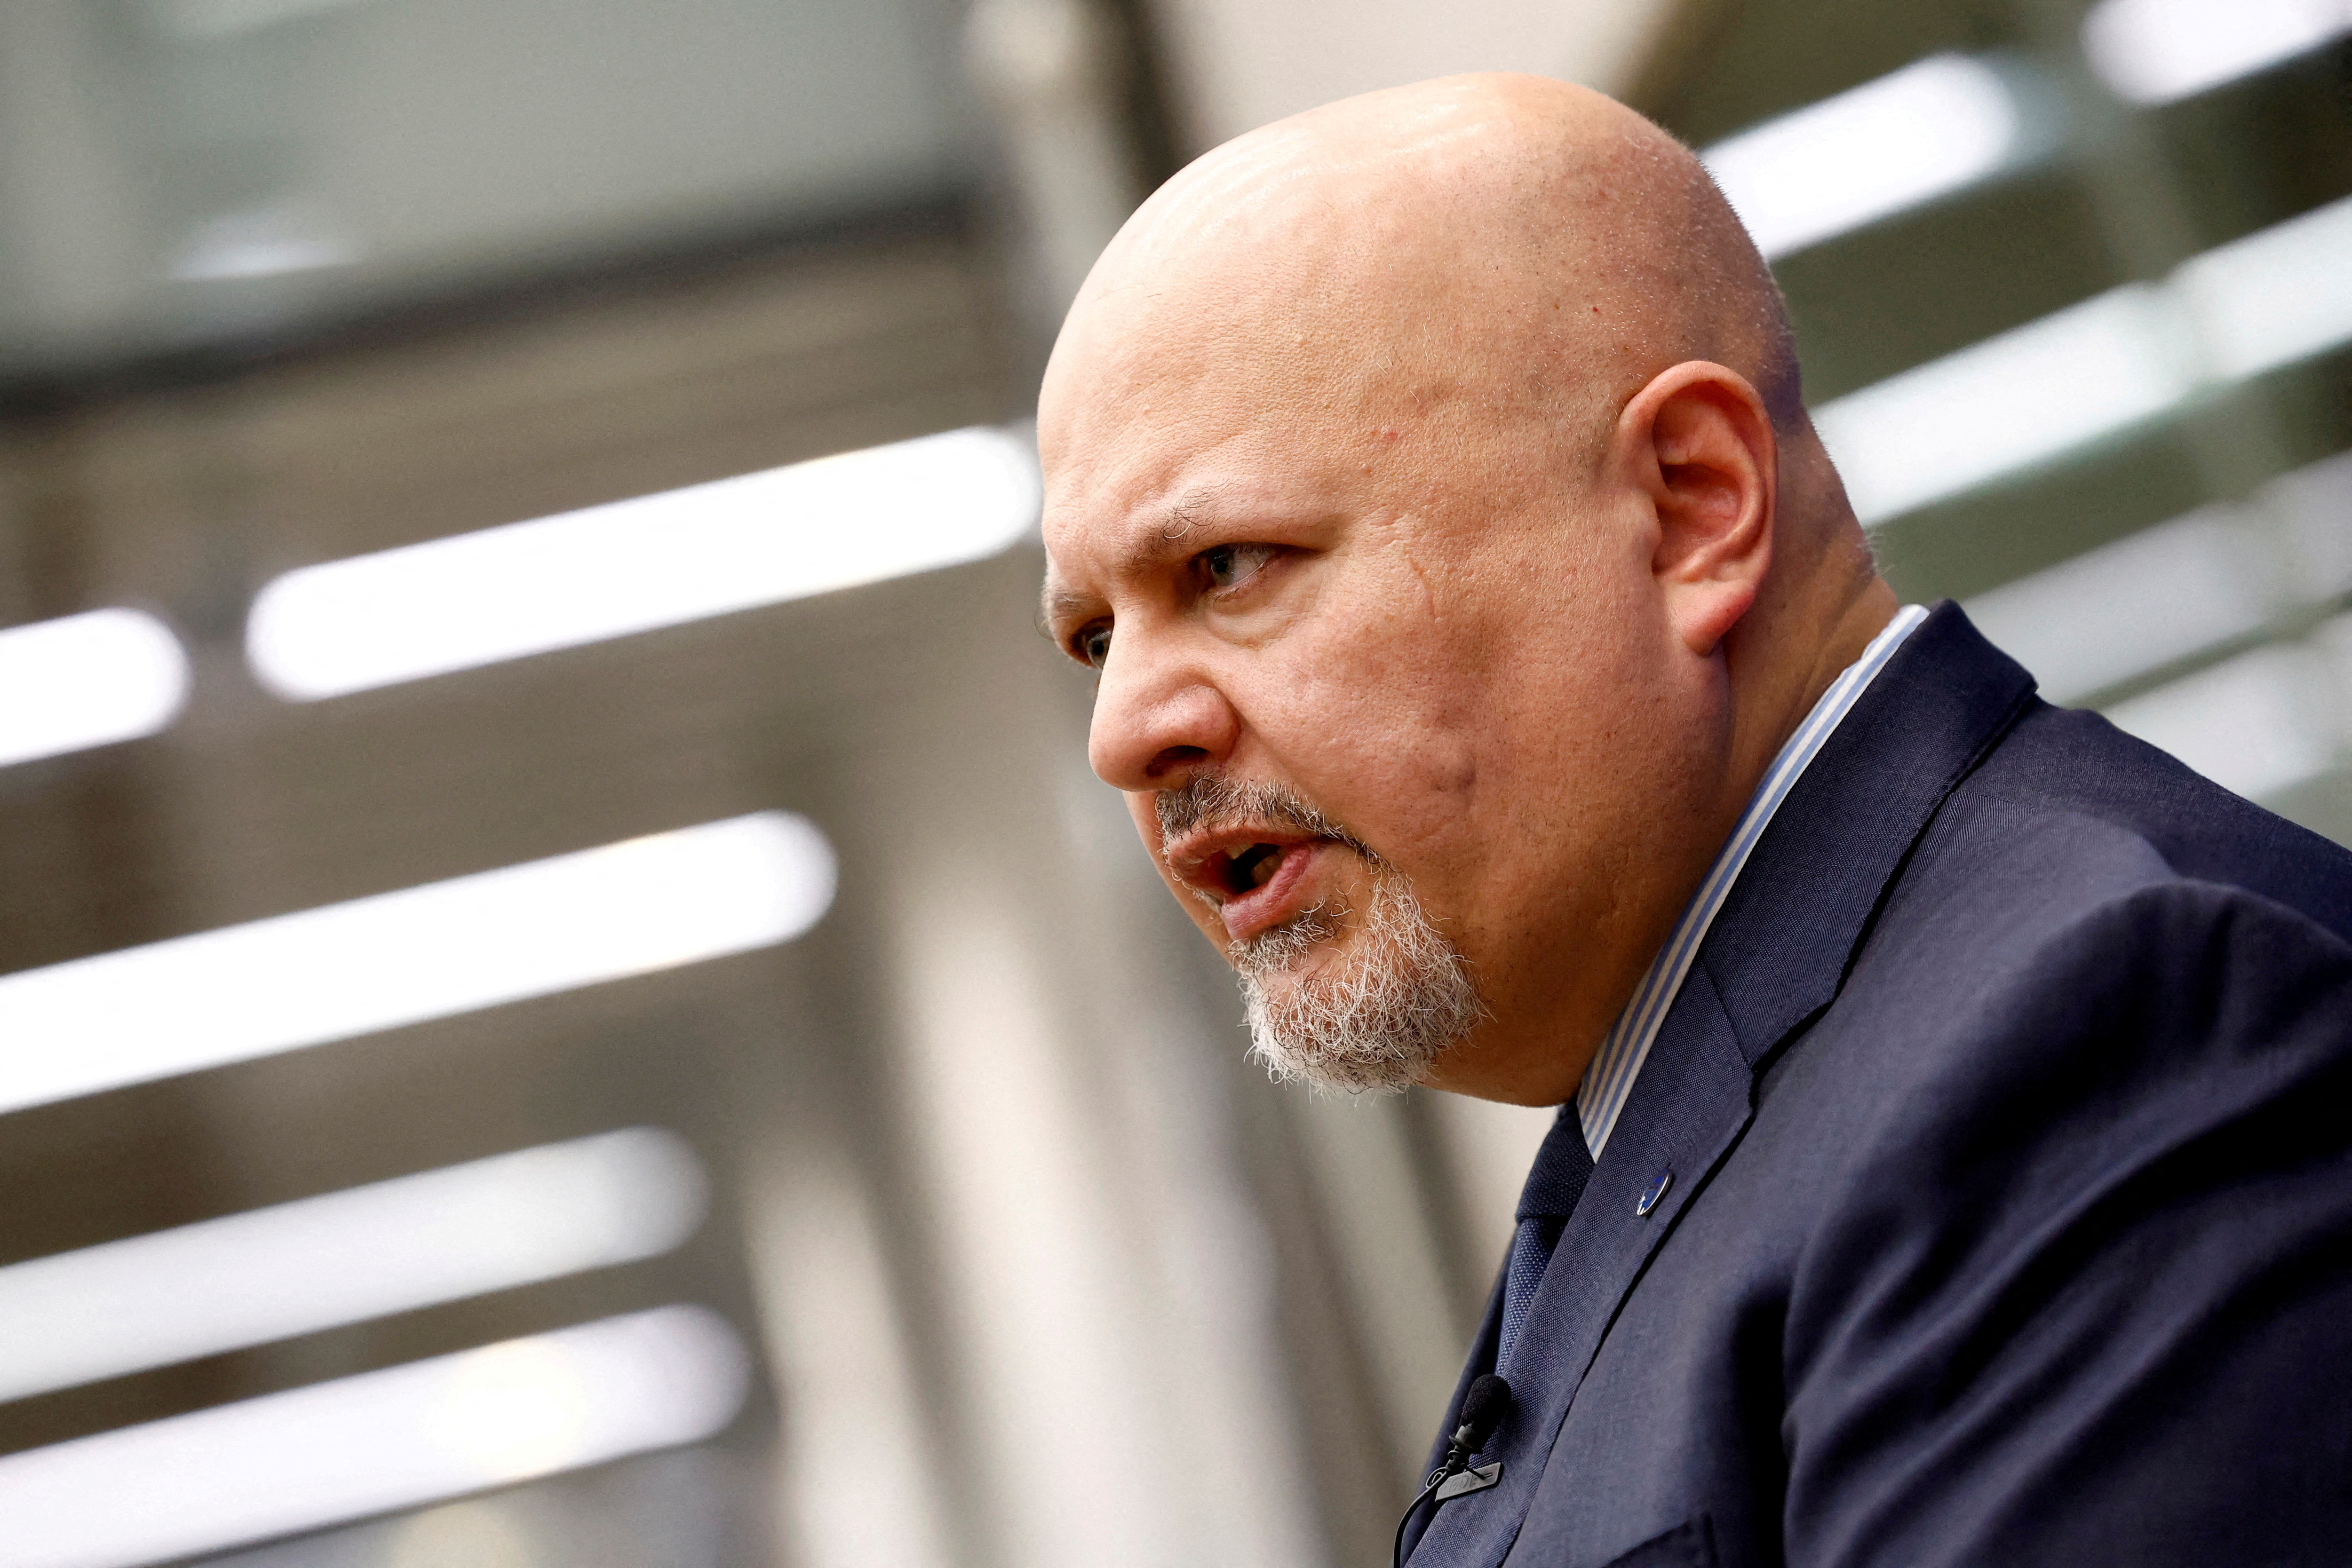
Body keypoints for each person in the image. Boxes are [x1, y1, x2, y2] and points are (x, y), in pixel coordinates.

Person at [1034, 72, 2352, 1568]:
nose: (1126, 732)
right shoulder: (1700, 1101)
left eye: (1226, 566)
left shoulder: (2110, 1038)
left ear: (1690, 505)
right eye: (1092, 637)